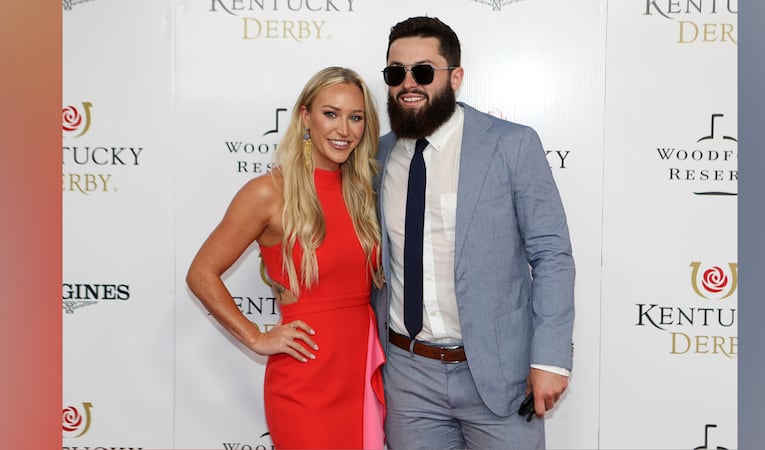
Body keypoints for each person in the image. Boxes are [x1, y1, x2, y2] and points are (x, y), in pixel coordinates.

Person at [372, 16, 576, 449]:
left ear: (456, 77)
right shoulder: (376, 156)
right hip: (408, 377)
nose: (409, 83)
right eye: (396, 73)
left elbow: (551, 254)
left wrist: (551, 359)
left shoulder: (511, 144)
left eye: (424, 71)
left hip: (501, 374)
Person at [186, 66, 386, 449]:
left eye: (355, 117)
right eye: (331, 114)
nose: (344, 129)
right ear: (304, 117)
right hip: (305, 379)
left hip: (361, 370)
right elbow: (201, 273)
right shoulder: (268, 193)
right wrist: (256, 336)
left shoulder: (363, 192)